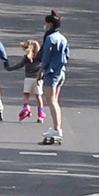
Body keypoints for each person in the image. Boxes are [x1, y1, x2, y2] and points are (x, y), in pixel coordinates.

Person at [39, 12, 71, 145]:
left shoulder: (50, 38)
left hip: (51, 72)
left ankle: (56, 128)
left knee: (51, 101)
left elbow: (45, 57)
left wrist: (40, 71)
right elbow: (67, 55)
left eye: (46, 24)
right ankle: (57, 127)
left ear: (50, 24)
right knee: (56, 101)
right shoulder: (63, 38)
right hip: (61, 71)